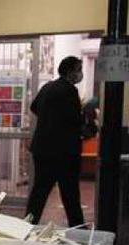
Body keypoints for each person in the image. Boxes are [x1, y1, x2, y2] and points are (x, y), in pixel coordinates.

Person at [26, 56, 86, 227]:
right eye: (78, 70)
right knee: (70, 194)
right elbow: (75, 119)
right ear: (70, 71)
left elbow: (34, 107)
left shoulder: (47, 87)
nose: (80, 74)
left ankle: (27, 225)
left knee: (39, 192)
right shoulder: (69, 91)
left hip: (42, 149)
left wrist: (48, 119)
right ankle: (78, 227)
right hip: (64, 152)